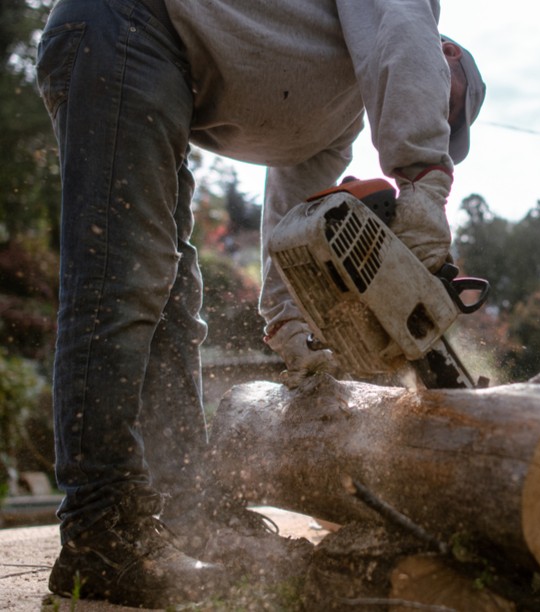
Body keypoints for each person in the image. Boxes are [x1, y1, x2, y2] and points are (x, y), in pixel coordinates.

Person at [35, 0, 486, 606]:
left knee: (172, 302)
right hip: (124, 24)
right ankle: (99, 527)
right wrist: (426, 179)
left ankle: (188, 511)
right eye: (446, 100)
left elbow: (295, 223)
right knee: (121, 285)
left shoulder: (329, 118)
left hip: (160, 64)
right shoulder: (406, 26)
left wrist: (291, 326)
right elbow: (404, 34)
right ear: (447, 57)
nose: (436, 107)